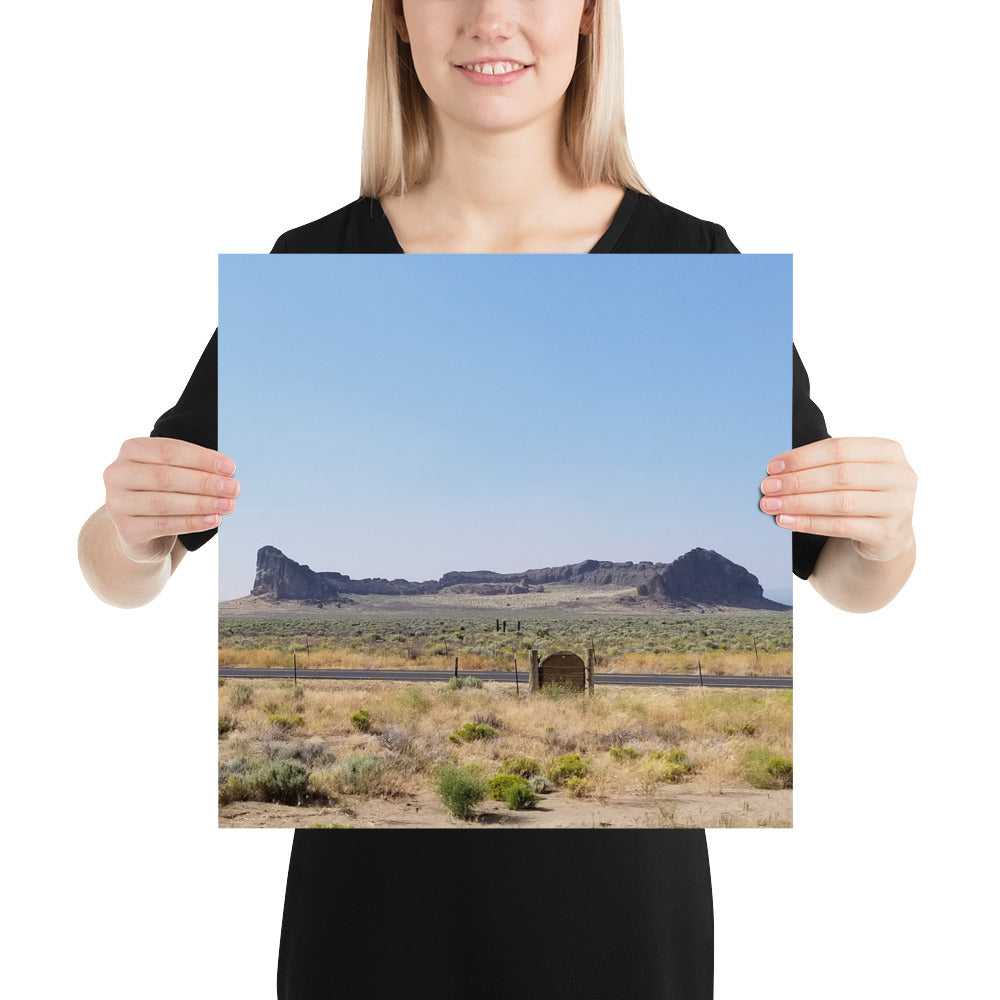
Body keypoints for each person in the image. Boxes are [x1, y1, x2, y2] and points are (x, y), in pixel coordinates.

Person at [78, 2, 916, 997]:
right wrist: (130, 531)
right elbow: (121, 567)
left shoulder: (696, 265)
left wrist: (886, 531)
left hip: (620, 912)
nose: (491, 19)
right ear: (395, 20)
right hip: (366, 916)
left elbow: (845, 577)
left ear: (591, 19)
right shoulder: (308, 268)